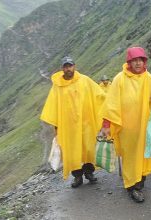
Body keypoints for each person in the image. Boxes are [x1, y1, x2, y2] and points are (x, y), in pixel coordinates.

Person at [100, 47, 151, 203]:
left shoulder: (149, 79)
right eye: (134, 60)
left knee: (143, 155)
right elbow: (111, 104)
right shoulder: (120, 79)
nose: (138, 63)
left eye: (141, 60)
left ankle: (139, 182)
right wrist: (106, 124)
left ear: (144, 61)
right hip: (126, 128)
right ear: (129, 62)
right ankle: (132, 186)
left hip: (144, 127)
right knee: (130, 156)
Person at [40, 56, 105, 188]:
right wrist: (57, 126)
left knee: (88, 148)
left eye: (70, 66)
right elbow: (53, 106)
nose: (68, 69)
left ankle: (89, 173)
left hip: (86, 123)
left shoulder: (85, 80)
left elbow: (99, 94)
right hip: (68, 126)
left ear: (74, 66)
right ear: (62, 68)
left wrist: (110, 100)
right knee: (72, 151)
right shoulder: (57, 87)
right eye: (65, 66)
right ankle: (77, 176)